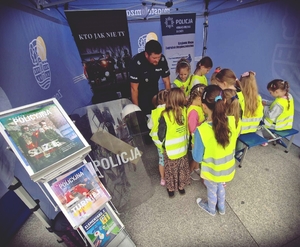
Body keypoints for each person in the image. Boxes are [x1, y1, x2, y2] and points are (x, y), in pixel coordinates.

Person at [193, 85, 241, 216]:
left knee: (212, 189)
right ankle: (222, 208)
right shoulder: (234, 121)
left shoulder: (202, 131)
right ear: (224, 101)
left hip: (211, 171)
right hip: (227, 169)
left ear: (203, 106)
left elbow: (197, 157)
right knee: (221, 186)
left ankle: (211, 209)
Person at [158, 88, 190, 198]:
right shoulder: (185, 111)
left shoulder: (165, 115)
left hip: (170, 150)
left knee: (170, 170)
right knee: (182, 169)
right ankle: (181, 187)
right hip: (183, 148)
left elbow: (160, 134)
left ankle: (171, 189)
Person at [130, 40, 171, 116]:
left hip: (155, 93)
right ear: (146, 55)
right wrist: (137, 110)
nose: (157, 60)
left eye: (158, 57)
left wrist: (168, 102)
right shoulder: (136, 62)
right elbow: (134, 89)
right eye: (154, 58)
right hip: (140, 94)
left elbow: (167, 81)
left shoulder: (162, 59)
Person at [147, 89, 169, 186]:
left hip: (158, 141)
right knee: (170, 158)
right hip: (168, 140)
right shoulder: (169, 110)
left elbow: (150, 126)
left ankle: (162, 178)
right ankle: (170, 175)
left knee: (161, 160)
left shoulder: (154, 112)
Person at [186, 84, 206, 181]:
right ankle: (190, 171)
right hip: (195, 139)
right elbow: (192, 129)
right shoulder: (193, 111)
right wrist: (203, 123)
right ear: (198, 98)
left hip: (200, 136)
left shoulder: (198, 107)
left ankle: (196, 168)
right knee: (195, 157)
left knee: (199, 154)